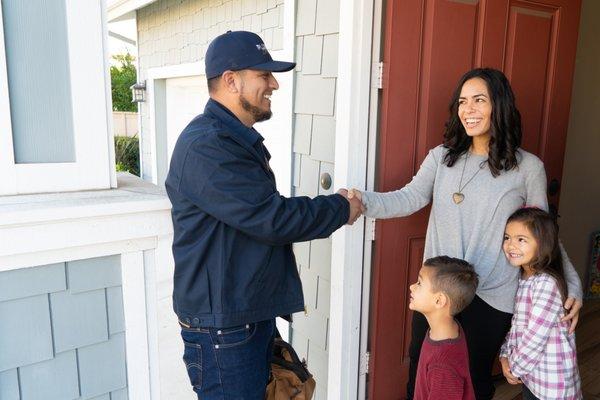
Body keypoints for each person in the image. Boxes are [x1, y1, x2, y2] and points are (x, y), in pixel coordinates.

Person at [348, 68, 583, 399]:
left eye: (479, 100)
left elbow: (544, 235)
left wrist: (571, 284)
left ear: (497, 106)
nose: (468, 110)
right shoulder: (441, 158)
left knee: (472, 383)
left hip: (492, 295)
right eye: (462, 101)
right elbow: (409, 198)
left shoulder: (528, 168)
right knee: (422, 375)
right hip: (440, 291)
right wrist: (361, 202)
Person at [165, 30, 362, 399]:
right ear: (230, 80)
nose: (273, 84)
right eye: (264, 74)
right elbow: (272, 218)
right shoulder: (208, 146)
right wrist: (340, 207)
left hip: (242, 316)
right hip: (225, 330)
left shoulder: (232, 138)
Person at [500, 208, 582, 400]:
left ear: (544, 244)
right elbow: (517, 325)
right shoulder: (523, 277)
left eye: (521, 239)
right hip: (533, 378)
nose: (510, 245)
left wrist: (514, 368)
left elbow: (535, 338)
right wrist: (505, 354)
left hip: (553, 385)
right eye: (507, 237)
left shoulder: (545, 284)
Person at [410, 256, 479, 400]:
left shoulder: (442, 366)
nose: (412, 286)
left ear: (439, 300)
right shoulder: (446, 329)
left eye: (419, 283)